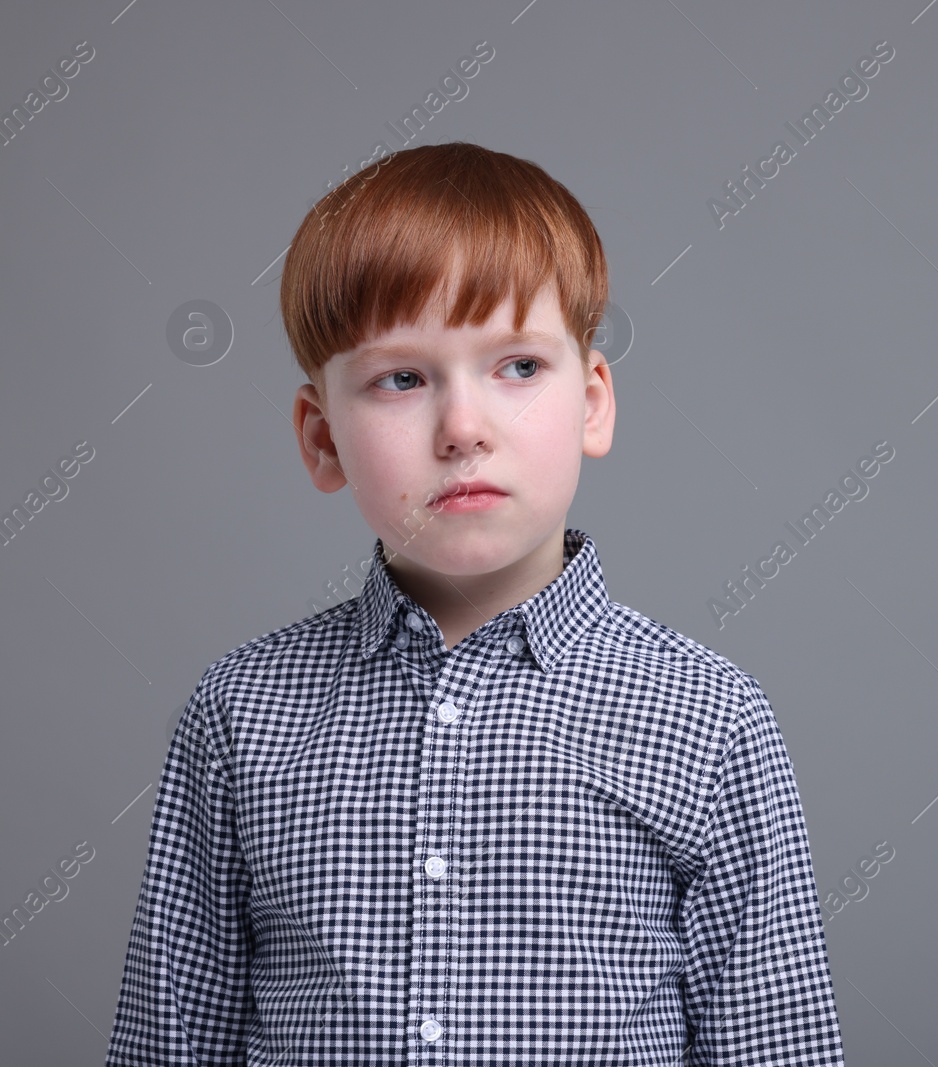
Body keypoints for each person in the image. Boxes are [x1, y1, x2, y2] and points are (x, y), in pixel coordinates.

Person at [104, 141, 846, 1065]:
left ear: (594, 403)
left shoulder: (710, 719)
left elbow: (776, 1049)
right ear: (321, 437)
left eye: (519, 367)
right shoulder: (239, 715)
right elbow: (166, 1043)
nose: (463, 428)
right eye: (402, 378)